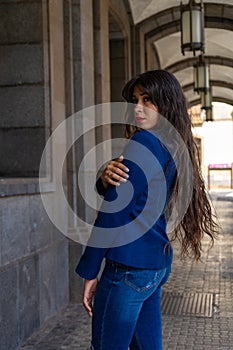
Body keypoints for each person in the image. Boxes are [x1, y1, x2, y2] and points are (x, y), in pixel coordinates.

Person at [76, 70, 218, 350]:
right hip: (155, 265)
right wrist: (105, 180)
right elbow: (135, 198)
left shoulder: (145, 142)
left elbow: (112, 214)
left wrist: (90, 270)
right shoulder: (173, 145)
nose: (137, 107)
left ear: (166, 103)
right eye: (134, 99)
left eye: (147, 99)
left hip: (128, 269)